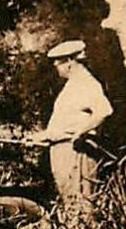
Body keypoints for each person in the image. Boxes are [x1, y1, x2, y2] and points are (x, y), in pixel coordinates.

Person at [40, 39, 112, 215]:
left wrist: (81, 132)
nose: (56, 65)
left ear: (71, 61)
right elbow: (66, 121)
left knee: (83, 207)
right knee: (71, 205)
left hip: (76, 152)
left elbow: (104, 110)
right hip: (63, 150)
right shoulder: (72, 86)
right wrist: (43, 135)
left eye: (59, 61)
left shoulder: (87, 83)